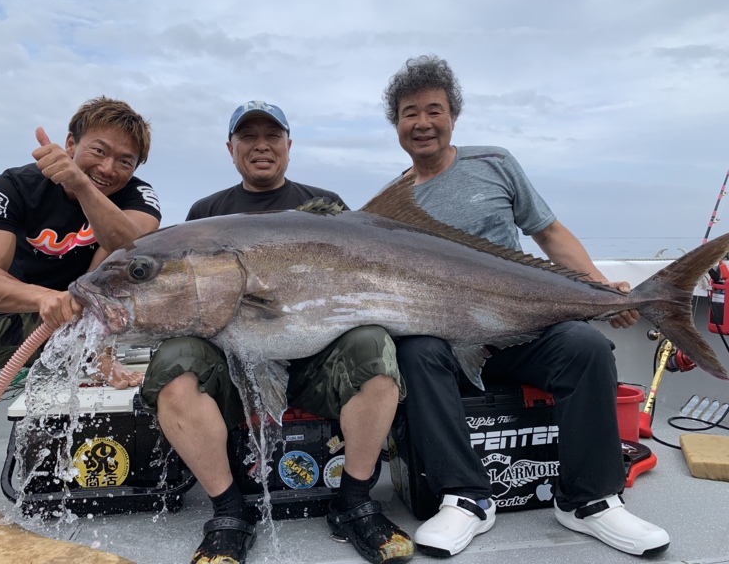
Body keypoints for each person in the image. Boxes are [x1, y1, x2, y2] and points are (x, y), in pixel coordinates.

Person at [380, 56, 670, 558]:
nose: (422, 123)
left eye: (434, 110)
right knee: (415, 351)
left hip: (522, 329)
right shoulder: (389, 206)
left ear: (453, 116)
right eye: (410, 113)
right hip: (450, 341)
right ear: (396, 124)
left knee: (585, 345)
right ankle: (466, 499)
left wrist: (602, 292)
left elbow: (549, 233)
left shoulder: (494, 162)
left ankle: (589, 501)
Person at [142, 100, 414, 564]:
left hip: (315, 362)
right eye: (248, 137)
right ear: (231, 148)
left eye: (273, 136)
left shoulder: (325, 207)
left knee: (374, 348)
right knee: (172, 366)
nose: (261, 145)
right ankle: (228, 511)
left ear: (289, 145)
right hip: (235, 362)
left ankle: (353, 501)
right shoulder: (207, 213)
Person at [0, 96, 162, 511]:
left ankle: (97, 358)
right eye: (98, 151)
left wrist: (82, 185)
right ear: (70, 144)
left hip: (95, 322)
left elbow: (129, 249)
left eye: (125, 161)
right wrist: (45, 298)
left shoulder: (140, 197)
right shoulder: (14, 185)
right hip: (17, 317)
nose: (109, 168)